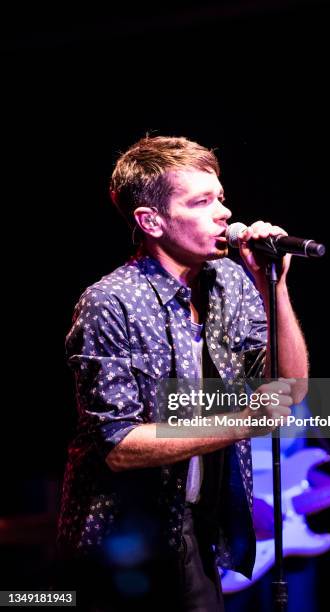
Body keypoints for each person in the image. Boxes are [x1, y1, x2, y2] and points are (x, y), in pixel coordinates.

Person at [56, 135, 309, 611]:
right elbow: (117, 446)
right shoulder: (110, 303)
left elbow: (289, 388)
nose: (225, 215)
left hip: (202, 527)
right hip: (125, 541)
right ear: (151, 221)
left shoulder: (231, 280)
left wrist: (272, 286)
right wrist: (242, 423)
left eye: (221, 198)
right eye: (202, 202)